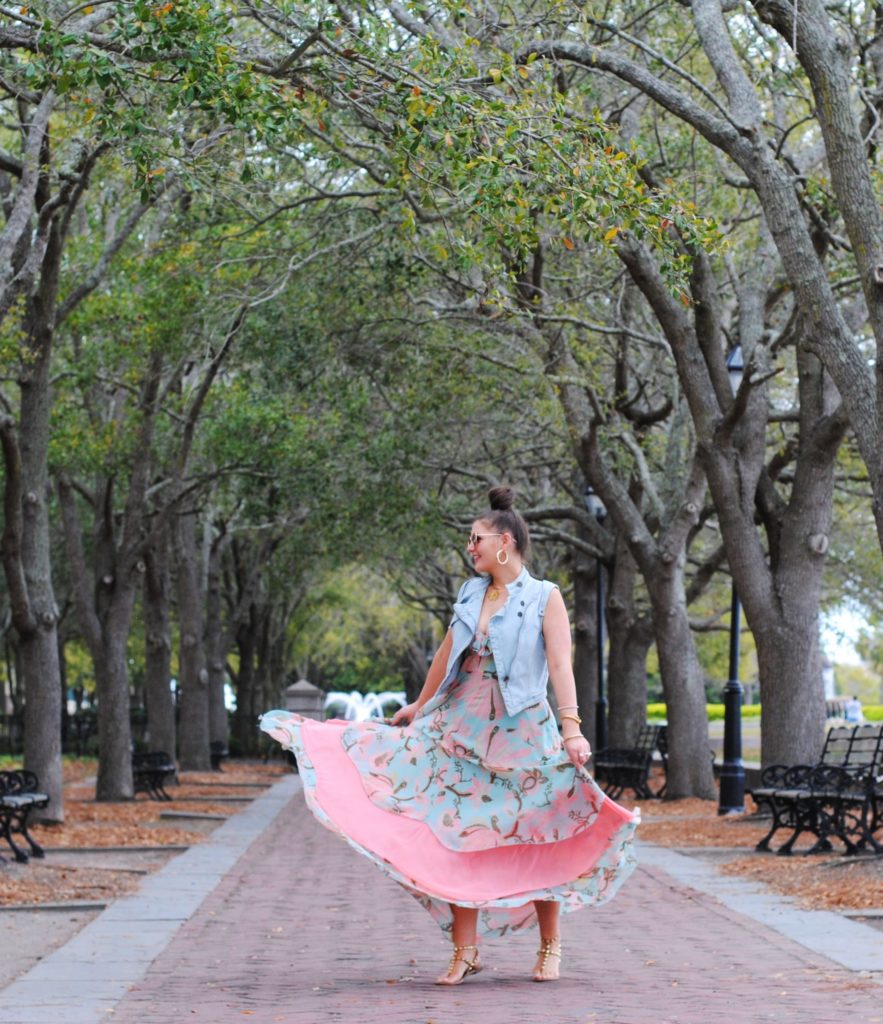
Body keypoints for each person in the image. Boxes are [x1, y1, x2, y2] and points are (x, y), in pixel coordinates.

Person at [260, 486, 639, 985]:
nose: (470, 546)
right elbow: (446, 653)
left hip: (522, 731)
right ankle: (465, 951)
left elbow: (560, 665)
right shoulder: (470, 593)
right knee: (457, 831)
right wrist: (419, 703)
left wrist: (571, 729)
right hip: (460, 727)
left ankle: (550, 946)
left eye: (476, 538)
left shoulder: (545, 596)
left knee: (539, 829)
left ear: (504, 542)